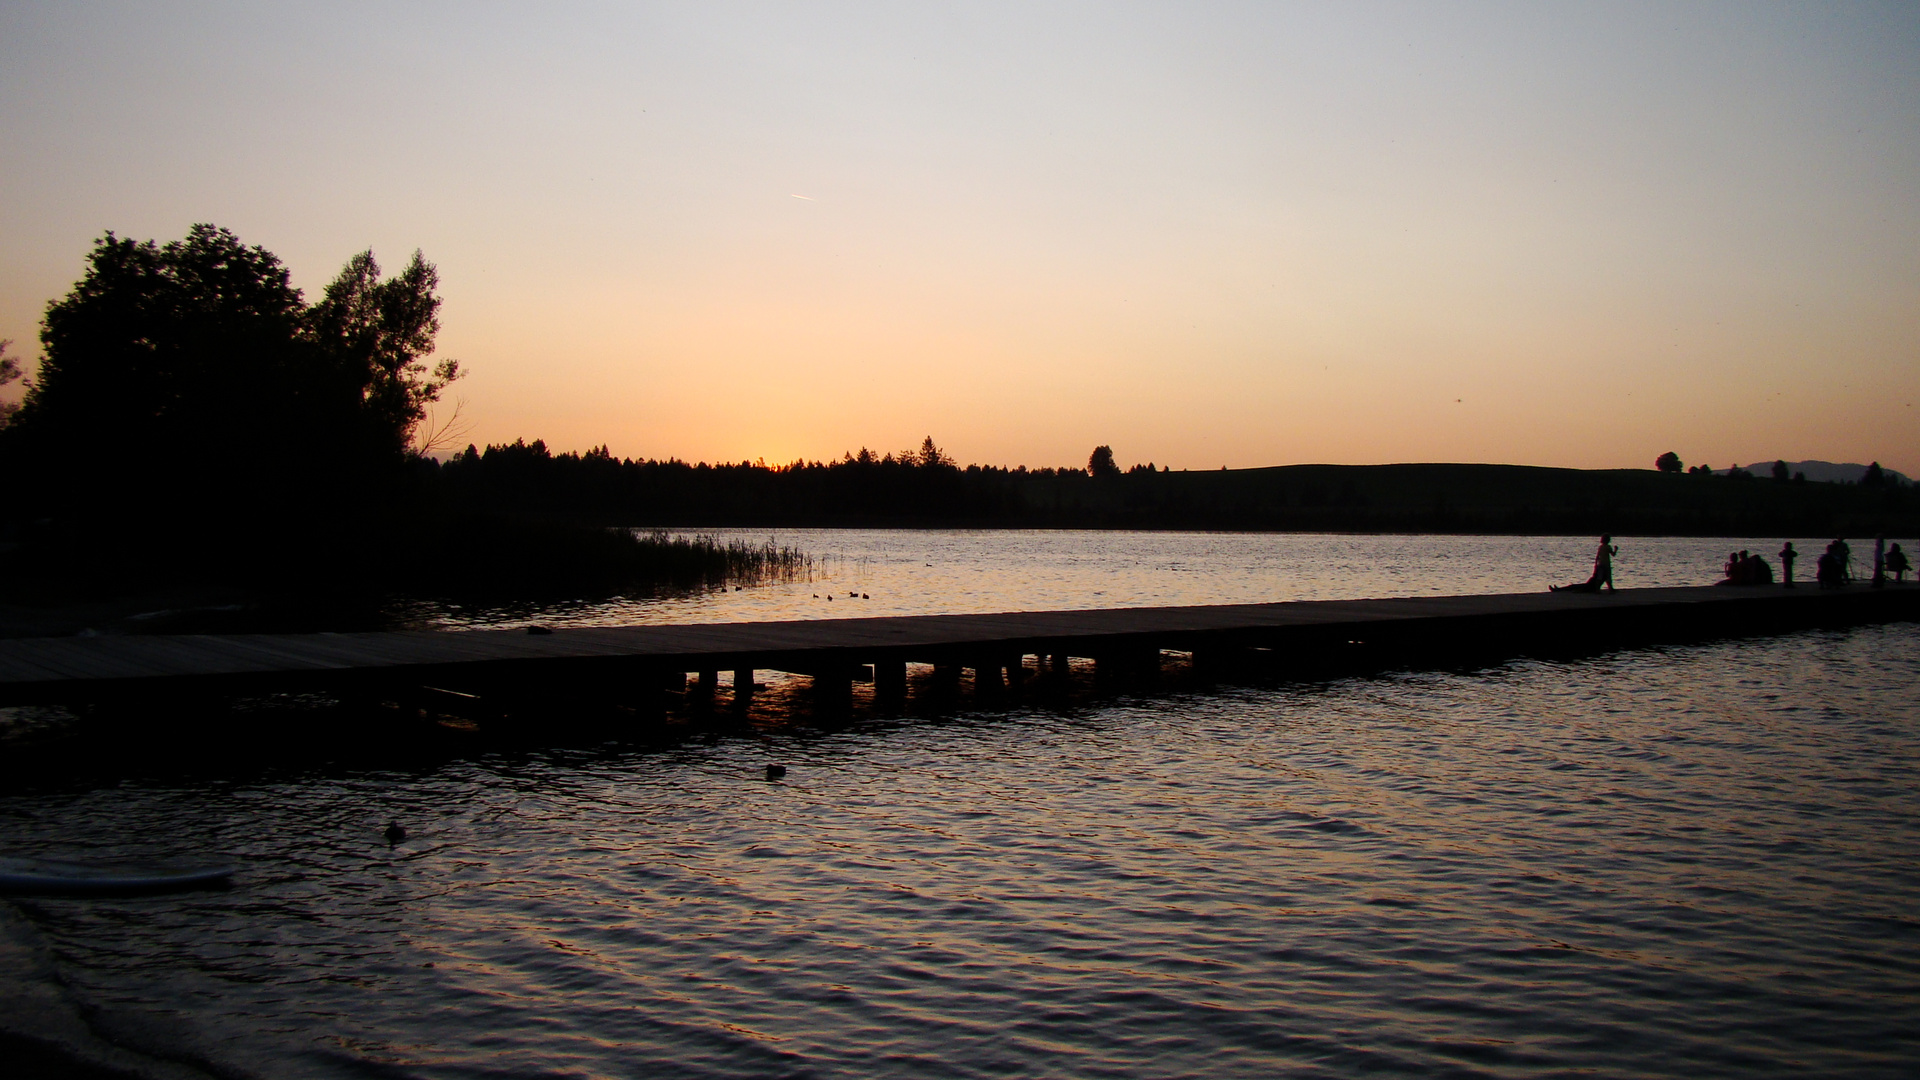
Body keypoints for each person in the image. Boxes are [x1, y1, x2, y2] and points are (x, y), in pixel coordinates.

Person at [1551, 535, 1618, 593]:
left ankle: (1558, 589)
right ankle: (1558, 589)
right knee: (1574, 586)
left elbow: (1597, 557)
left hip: (1589, 586)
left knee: (1574, 587)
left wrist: (1596, 565)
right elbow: (1607, 579)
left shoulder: (1601, 548)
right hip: (1591, 583)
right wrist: (1615, 550)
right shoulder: (1604, 570)